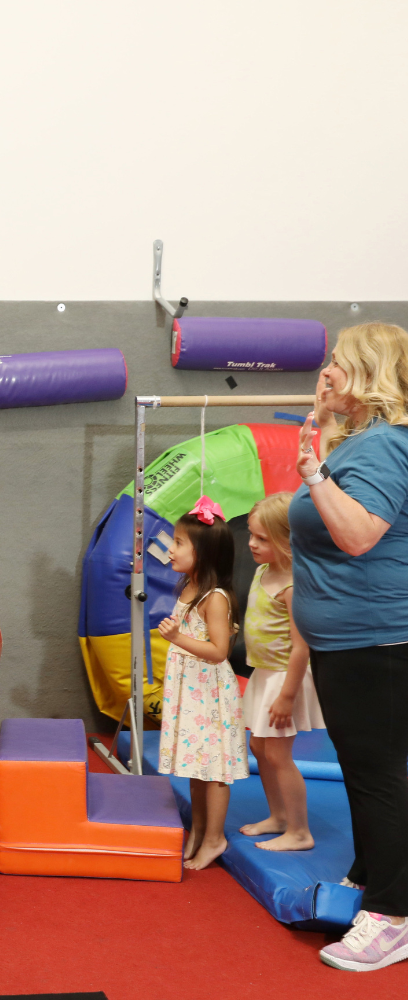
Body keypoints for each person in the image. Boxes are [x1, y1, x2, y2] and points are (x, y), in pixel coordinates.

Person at [291, 323, 408, 972]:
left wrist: (313, 476)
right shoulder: (363, 440)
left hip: (375, 640)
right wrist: (323, 427)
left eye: (337, 362)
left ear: (367, 371)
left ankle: (393, 917)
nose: (327, 370)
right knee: (371, 771)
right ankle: (374, 880)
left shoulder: (387, 445)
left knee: (376, 775)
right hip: (350, 640)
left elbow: (360, 534)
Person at [157, 496, 248, 871]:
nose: (171, 548)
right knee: (195, 766)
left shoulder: (216, 598)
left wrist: (178, 638)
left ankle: (215, 838)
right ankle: (197, 830)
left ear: (204, 554)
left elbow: (219, 651)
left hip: (209, 692)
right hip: (189, 688)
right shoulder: (188, 588)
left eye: (179, 542)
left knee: (215, 769)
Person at [239, 492, 324, 852]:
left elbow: (302, 646)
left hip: (284, 677)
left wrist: (287, 695)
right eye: (251, 534)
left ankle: (300, 831)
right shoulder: (262, 571)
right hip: (263, 672)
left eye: (262, 538)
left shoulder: (293, 584)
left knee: (278, 754)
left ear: (288, 541)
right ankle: (278, 817)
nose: (252, 544)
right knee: (259, 747)